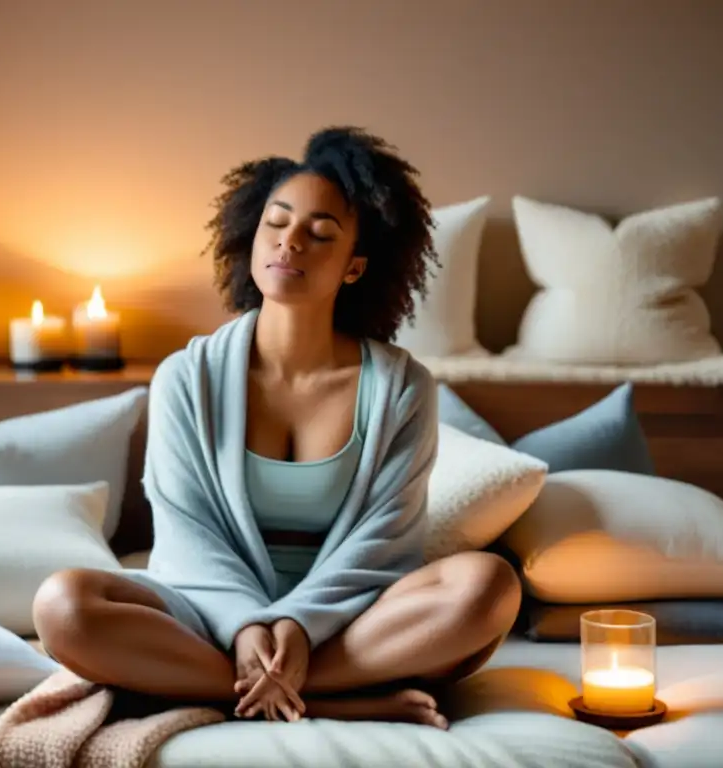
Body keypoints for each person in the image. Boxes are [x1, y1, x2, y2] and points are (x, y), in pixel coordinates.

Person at [33, 126, 521, 728]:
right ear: (251, 235)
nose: (291, 242)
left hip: (349, 623)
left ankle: (259, 687)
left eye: (320, 234)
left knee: (488, 588)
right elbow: (188, 536)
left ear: (354, 267)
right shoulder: (186, 377)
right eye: (277, 222)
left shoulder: (401, 389)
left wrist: (298, 624)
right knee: (64, 606)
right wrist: (243, 625)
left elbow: (383, 544)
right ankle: (330, 698)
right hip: (205, 616)